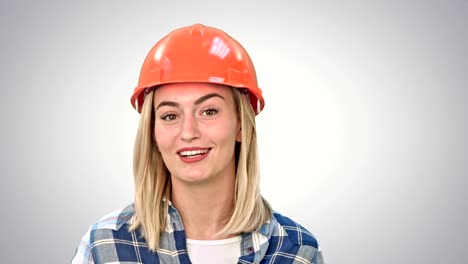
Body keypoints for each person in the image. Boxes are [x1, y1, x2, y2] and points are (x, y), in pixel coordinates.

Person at [71, 23, 324, 264]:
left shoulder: (297, 251)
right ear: (153, 134)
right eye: (170, 116)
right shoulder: (106, 245)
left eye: (209, 111)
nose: (188, 132)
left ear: (240, 125)